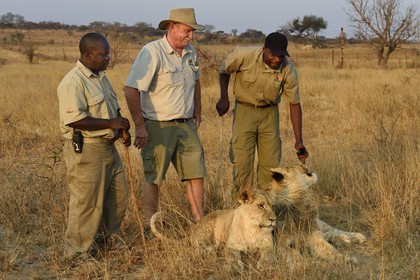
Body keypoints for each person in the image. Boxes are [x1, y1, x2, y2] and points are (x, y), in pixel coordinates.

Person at [123, 8, 206, 237]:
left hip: (186, 124)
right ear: (173, 28)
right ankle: (152, 228)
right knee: (154, 177)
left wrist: (197, 110)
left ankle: (200, 225)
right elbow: (131, 89)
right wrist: (139, 126)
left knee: (196, 173)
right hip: (158, 125)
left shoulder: (191, 52)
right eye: (187, 31)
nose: (190, 36)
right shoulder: (152, 52)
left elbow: (196, 81)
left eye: (192, 32)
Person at [57, 32, 131, 264]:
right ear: (88, 55)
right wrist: (111, 123)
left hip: (108, 147)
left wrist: (121, 128)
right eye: (103, 54)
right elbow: (74, 119)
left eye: (108, 53)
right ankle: (76, 253)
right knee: (87, 203)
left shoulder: (100, 77)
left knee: (118, 197)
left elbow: (112, 110)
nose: (108, 58)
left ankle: (102, 244)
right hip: (87, 148)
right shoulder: (73, 81)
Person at [216, 32, 309, 198]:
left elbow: (294, 104)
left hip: (269, 115)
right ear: (264, 50)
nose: (277, 60)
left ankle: (265, 210)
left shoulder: (288, 68)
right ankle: (239, 210)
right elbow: (224, 70)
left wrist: (299, 141)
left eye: (281, 56)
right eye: (273, 55)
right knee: (242, 164)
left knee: (270, 167)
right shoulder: (244, 56)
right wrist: (224, 97)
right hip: (245, 111)